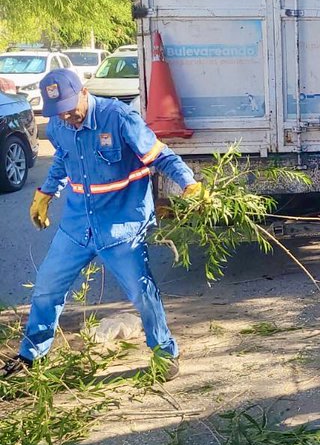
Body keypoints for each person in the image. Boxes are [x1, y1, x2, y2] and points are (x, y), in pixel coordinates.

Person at [2, 69, 205, 383]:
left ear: (84, 91)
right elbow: (63, 159)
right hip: (76, 226)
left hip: (121, 227)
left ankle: (164, 351)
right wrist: (46, 192)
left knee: (142, 293)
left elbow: (159, 156)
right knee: (46, 288)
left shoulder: (120, 118)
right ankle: (31, 354)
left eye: (70, 106)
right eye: (59, 111)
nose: (67, 115)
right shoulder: (58, 124)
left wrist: (189, 185)